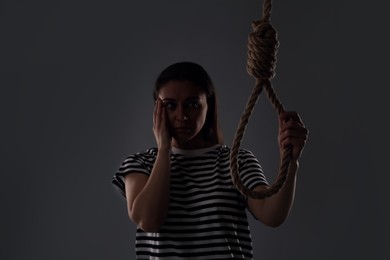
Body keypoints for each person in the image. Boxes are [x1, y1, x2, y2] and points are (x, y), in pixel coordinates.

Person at [112, 61, 308, 259]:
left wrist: (290, 161)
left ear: (209, 105)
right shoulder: (140, 164)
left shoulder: (236, 161)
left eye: (193, 104)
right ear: (157, 111)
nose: (182, 116)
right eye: (170, 106)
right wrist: (164, 150)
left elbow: (271, 215)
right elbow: (149, 220)